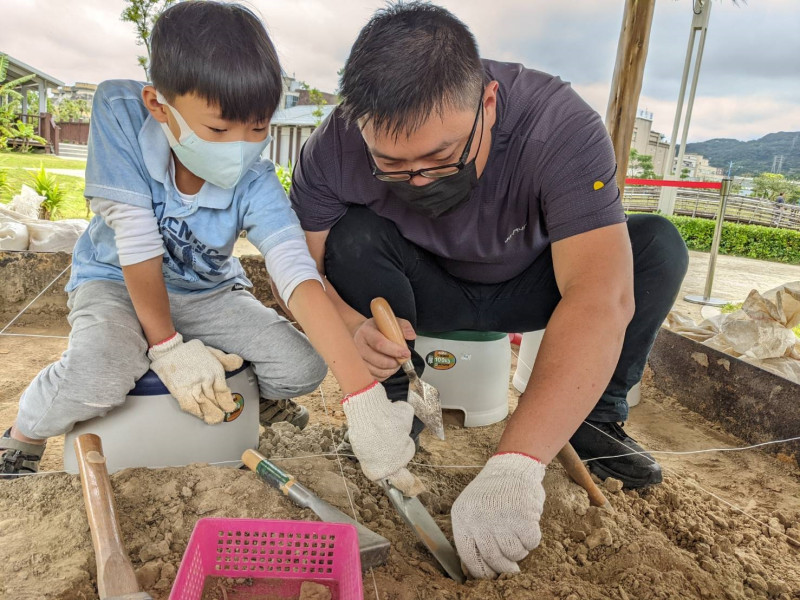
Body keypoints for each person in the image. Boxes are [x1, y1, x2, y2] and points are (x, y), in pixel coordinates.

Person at [289, 2, 689, 579]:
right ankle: (397, 401)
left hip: (533, 284)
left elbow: (600, 295)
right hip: (422, 287)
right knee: (350, 237)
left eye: (440, 157)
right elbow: (302, 272)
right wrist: (353, 327)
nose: (420, 181)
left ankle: (593, 420)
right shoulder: (332, 144)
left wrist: (517, 464)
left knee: (653, 246)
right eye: (393, 166)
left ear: (490, 103)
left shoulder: (558, 124)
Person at [1, 1, 421, 497]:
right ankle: (21, 438)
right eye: (219, 130)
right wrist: (167, 349)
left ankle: (253, 393)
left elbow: (294, 269)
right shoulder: (121, 114)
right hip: (115, 283)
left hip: (208, 294)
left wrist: (364, 399)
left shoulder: (257, 180)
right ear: (160, 106)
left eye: (259, 127)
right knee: (100, 374)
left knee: (302, 366)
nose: (241, 145)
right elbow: (135, 240)